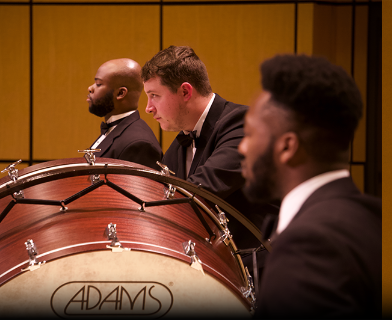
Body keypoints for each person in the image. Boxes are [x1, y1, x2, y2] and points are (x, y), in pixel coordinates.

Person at [238, 54, 381, 317]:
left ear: (287, 147)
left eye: (248, 134)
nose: (241, 147)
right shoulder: (375, 216)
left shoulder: (308, 247)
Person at [142, 46, 278, 255]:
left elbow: (202, 189)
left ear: (185, 91)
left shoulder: (243, 124)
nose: (148, 108)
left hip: (260, 269)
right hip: (216, 266)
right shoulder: (182, 140)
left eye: (154, 95)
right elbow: (158, 191)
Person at [87, 58, 162, 170]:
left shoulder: (139, 144)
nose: (90, 88)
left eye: (98, 84)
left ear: (120, 93)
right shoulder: (115, 129)